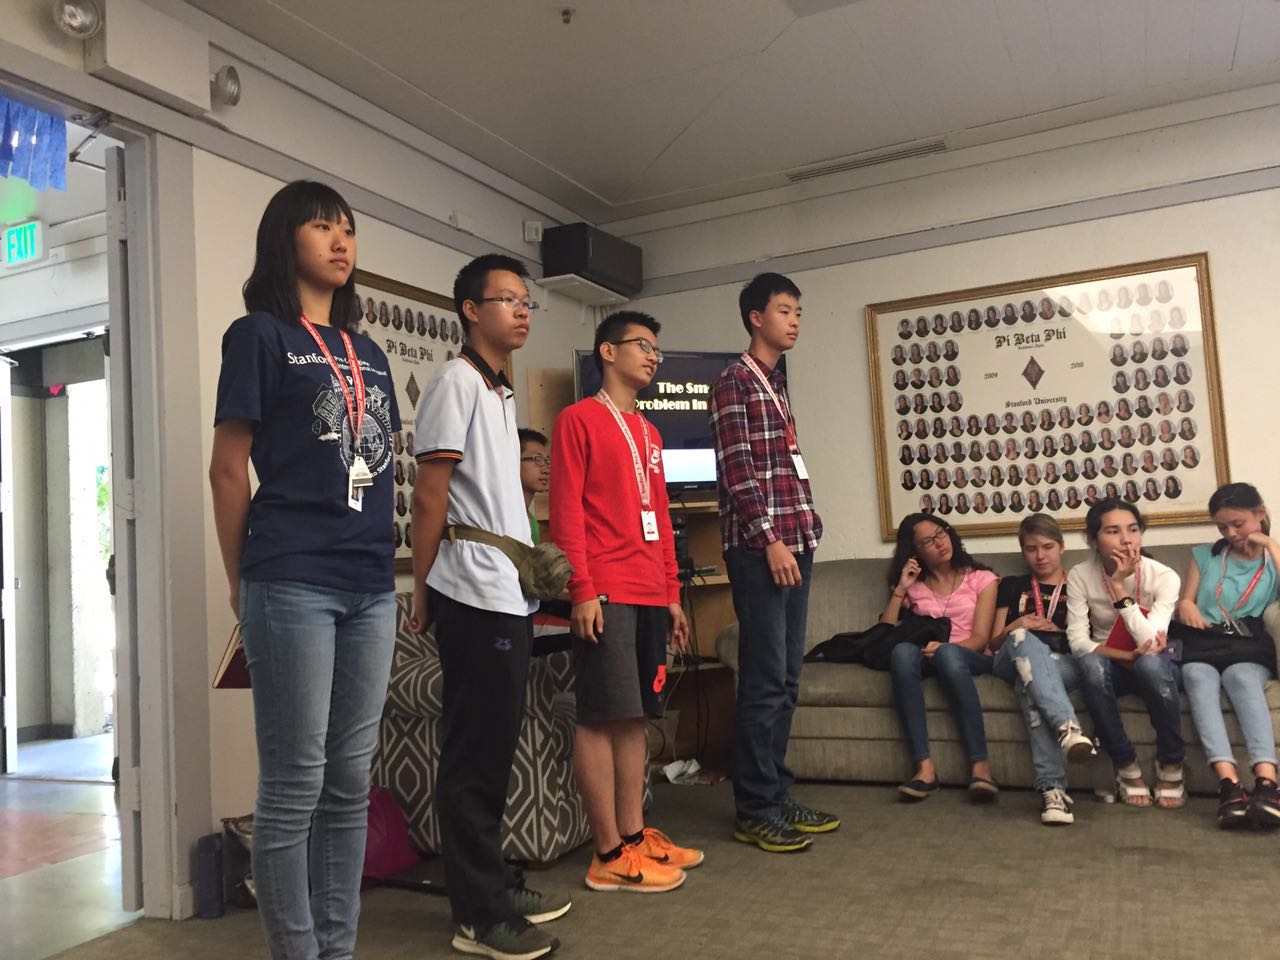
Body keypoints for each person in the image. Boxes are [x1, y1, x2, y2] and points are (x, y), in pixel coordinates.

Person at [209, 181, 401, 960]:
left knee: (349, 782)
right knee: (294, 784)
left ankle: (337, 950)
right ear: (285, 239)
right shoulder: (258, 336)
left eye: (348, 227)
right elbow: (227, 469)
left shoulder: (370, 354)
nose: (340, 239)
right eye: (322, 225)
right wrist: (240, 580)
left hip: (372, 584)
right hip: (289, 575)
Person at [411, 253, 568, 959]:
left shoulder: (497, 391)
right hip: (469, 589)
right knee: (474, 755)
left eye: (526, 300)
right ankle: (478, 916)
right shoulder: (454, 382)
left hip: (506, 590)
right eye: (507, 299)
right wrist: (423, 588)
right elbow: (429, 496)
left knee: (495, 748)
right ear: (471, 310)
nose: (522, 309)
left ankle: (493, 883)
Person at [550, 310, 699, 893]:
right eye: (643, 345)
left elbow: (659, 515)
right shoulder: (578, 419)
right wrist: (581, 589)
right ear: (608, 352)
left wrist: (671, 593)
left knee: (635, 716)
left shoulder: (650, 433)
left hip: (647, 590)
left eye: (657, 348)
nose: (653, 356)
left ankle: (634, 837)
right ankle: (606, 851)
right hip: (604, 590)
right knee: (600, 716)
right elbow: (566, 512)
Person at [709, 273, 838, 853]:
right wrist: (770, 541)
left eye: (799, 312)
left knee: (787, 679)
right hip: (762, 550)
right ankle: (755, 807)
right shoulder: (734, 381)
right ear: (755, 317)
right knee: (763, 681)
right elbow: (738, 472)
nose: (795, 321)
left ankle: (777, 793)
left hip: (795, 541)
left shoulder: (776, 382)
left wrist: (806, 527)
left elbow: (783, 465)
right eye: (785, 310)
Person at [1172, 483, 1280, 828]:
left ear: (1260, 514)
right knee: (1195, 676)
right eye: (1222, 527)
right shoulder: (1205, 555)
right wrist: (1187, 606)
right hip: (1204, 642)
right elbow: (1185, 601)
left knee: (1241, 677)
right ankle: (1229, 786)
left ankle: (1267, 785)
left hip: (1246, 646)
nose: (1231, 534)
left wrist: (1271, 545)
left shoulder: (1273, 559)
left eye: (1238, 524)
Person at [1065, 499, 1184, 808]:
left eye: (1133, 530)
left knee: (1150, 663)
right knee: (1090, 664)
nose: (1126, 540)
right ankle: (1125, 764)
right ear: (1093, 539)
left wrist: (1119, 587)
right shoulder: (1080, 575)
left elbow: (1150, 642)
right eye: (1113, 531)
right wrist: (1124, 656)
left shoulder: (1165, 576)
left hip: (1156, 666)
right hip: (1110, 666)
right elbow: (1077, 642)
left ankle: (1171, 762)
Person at [878, 515, 1000, 800]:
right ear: (915, 551)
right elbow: (884, 633)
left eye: (940, 533)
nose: (939, 543)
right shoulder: (914, 586)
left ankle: (981, 768)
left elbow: (981, 638)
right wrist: (901, 589)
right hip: (928, 655)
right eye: (927, 541)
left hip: (971, 656)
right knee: (901, 652)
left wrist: (946, 649)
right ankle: (924, 769)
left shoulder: (982, 578)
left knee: (949, 655)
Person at [990, 516, 1096, 824]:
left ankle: (1053, 792)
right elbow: (994, 642)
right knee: (1022, 638)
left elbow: (1089, 641)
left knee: (1030, 687)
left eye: (1048, 547)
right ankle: (1067, 727)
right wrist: (1017, 623)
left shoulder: (1079, 584)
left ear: (1062, 547)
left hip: (1063, 662)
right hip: (1010, 657)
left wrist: (1058, 632)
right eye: (1031, 548)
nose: (1040, 556)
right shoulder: (1012, 585)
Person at [518, 428, 549, 543]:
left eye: (547, 461)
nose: (546, 470)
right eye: (537, 459)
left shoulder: (532, 521)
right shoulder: (503, 518)